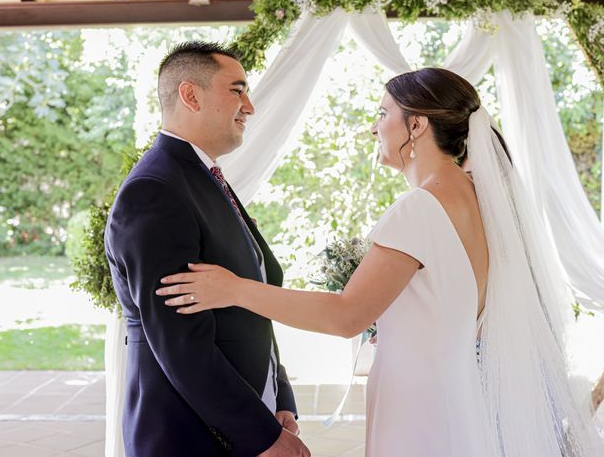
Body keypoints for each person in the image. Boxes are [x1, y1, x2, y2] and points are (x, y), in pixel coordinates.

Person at [158, 68, 604, 456]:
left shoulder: (420, 208)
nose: (374, 129)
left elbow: (346, 316)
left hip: (417, 407)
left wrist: (234, 289)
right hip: (458, 396)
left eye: (382, 114)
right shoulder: (479, 201)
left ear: (416, 125)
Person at [104, 41, 308, 457]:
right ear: (190, 95)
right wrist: (261, 436)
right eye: (236, 90)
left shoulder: (202, 175)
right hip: (188, 435)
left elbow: (251, 298)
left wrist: (278, 394)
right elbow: (181, 344)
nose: (249, 106)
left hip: (243, 414)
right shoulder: (155, 190)